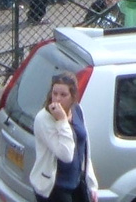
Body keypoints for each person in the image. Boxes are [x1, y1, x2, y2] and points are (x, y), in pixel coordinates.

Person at [31, 70, 99, 202]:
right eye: (55, 93)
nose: (57, 99)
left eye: (63, 95)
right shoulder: (44, 119)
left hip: (77, 182)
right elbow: (66, 154)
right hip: (55, 187)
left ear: (73, 97)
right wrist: (62, 120)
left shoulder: (77, 110)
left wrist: (92, 184)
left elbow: (85, 150)